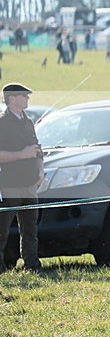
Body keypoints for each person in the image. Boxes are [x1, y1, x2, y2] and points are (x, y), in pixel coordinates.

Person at [0, 83, 44, 272]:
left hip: (30, 183)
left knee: (30, 229)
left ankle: (32, 264)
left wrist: (41, 170)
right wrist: (22, 154)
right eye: (23, 96)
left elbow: (37, 148)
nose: (27, 99)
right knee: (2, 230)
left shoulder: (28, 121)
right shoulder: (2, 123)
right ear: (12, 99)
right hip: (10, 184)